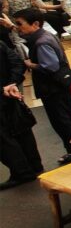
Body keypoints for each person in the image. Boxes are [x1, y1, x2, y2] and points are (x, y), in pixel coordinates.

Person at [11, 8, 71, 162]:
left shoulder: (41, 42)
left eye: (19, 24)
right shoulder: (45, 36)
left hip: (52, 88)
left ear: (35, 24)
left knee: (61, 119)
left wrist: (31, 64)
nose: (17, 27)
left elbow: (50, 66)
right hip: (59, 85)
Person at [0, 30, 42, 188]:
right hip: (10, 95)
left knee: (4, 140)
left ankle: (22, 173)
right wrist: (12, 84)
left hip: (5, 95)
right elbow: (17, 63)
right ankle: (35, 165)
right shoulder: (1, 44)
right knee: (22, 131)